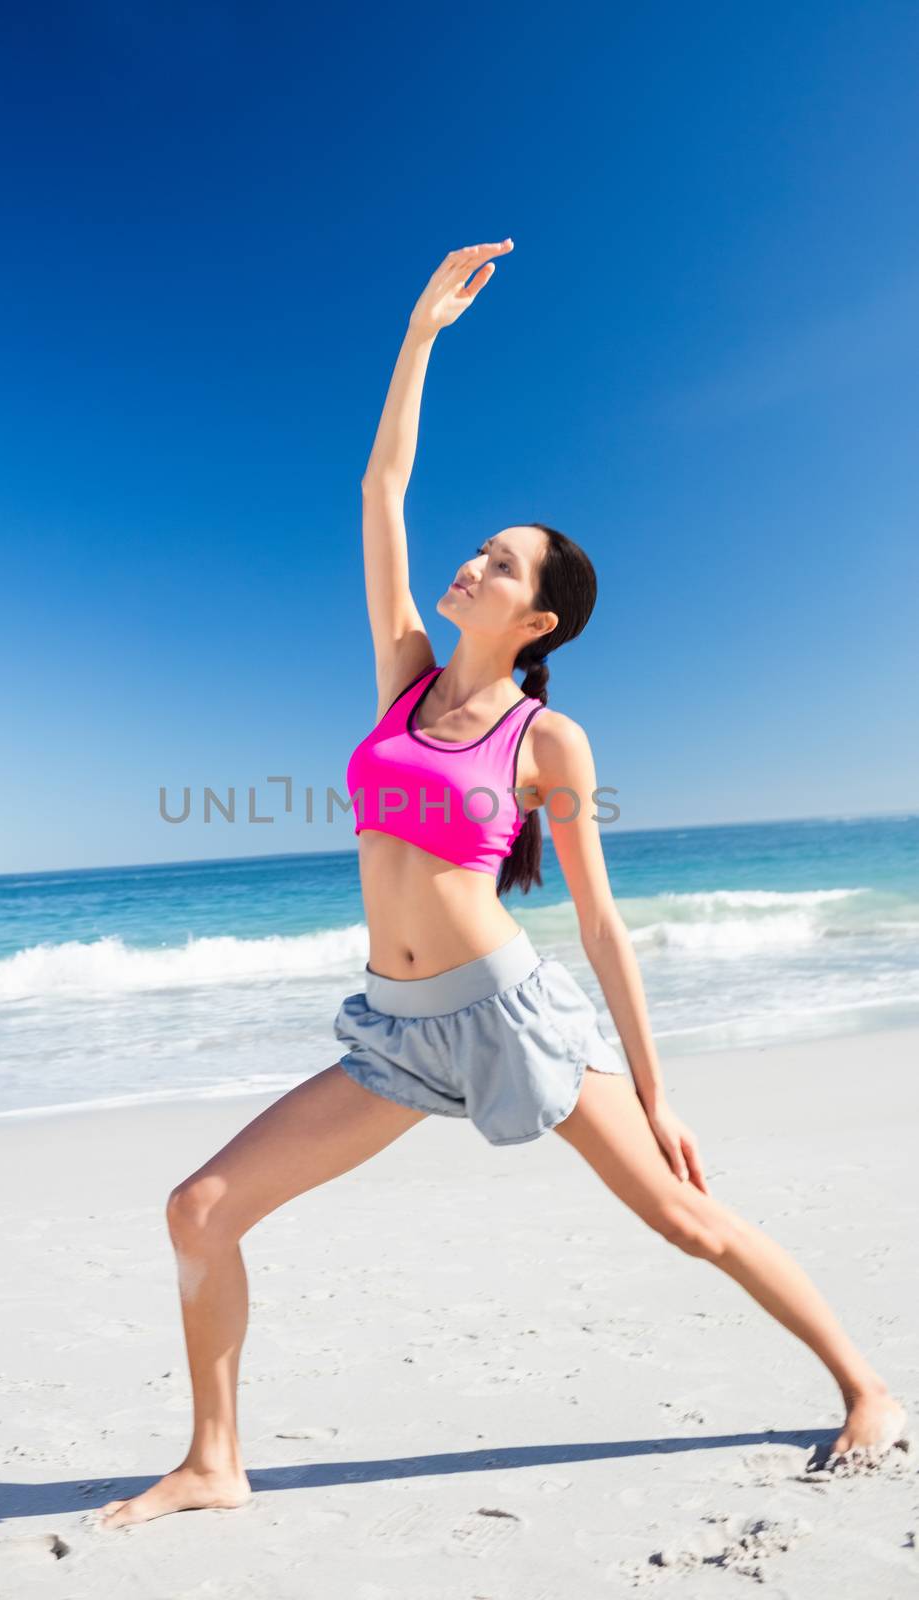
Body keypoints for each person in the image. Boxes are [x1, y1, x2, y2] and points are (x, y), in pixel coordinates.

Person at [99, 239, 908, 1529]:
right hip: (393, 1031)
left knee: (690, 1224)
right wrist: (421, 335)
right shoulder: (405, 673)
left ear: (539, 622)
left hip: (516, 1017)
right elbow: (382, 488)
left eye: (504, 565)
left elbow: (596, 919)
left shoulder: (547, 742)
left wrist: (657, 1086)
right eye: (479, 551)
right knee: (199, 1209)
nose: (474, 564)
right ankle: (215, 1460)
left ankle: (868, 1385)